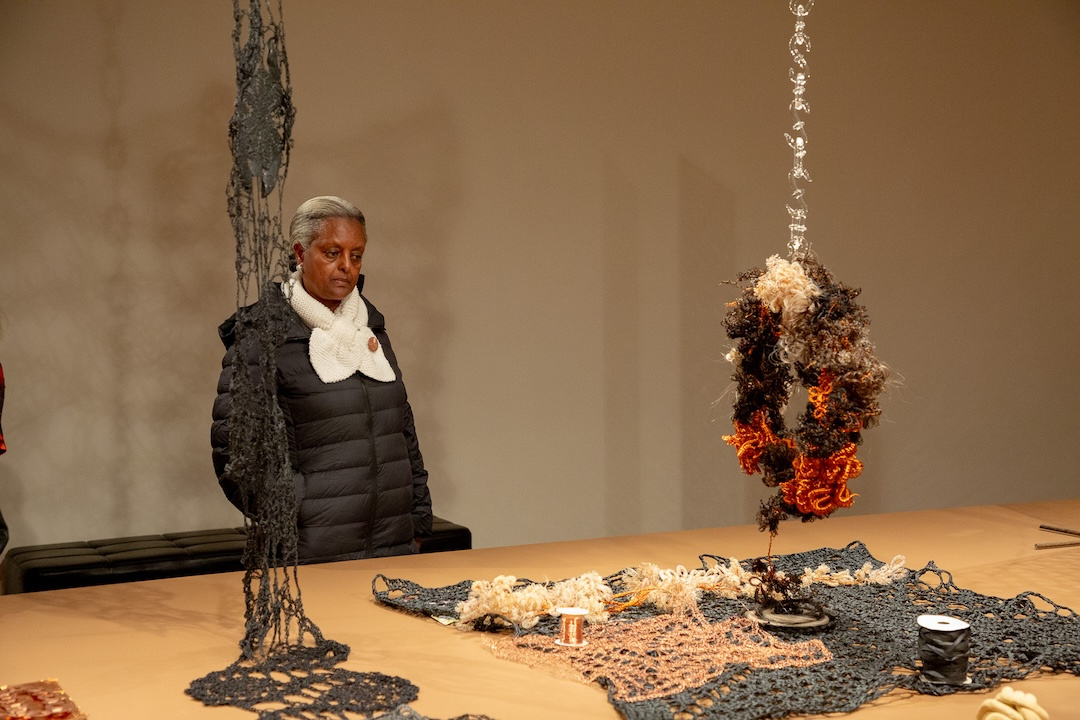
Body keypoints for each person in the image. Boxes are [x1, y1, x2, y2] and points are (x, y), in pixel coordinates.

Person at [212, 196, 432, 562]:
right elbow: (235, 452)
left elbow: (402, 430)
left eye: (356, 255)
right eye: (332, 253)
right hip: (310, 554)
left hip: (393, 545)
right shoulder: (262, 335)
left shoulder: (369, 327)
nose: (346, 266)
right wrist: (297, 517)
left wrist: (419, 519)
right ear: (300, 253)